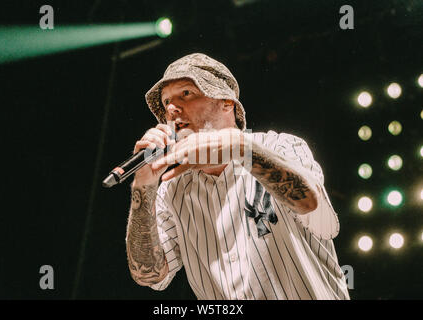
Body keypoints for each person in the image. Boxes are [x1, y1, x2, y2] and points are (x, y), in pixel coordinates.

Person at [125, 53, 350, 300]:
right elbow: (149, 275)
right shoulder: (171, 188)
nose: (170, 108)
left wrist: (241, 147)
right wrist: (143, 186)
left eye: (186, 93)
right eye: (166, 101)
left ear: (226, 102)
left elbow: (309, 203)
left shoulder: (279, 146)